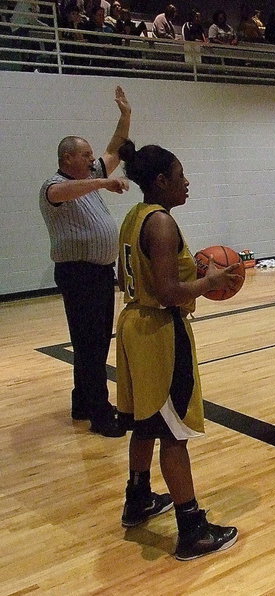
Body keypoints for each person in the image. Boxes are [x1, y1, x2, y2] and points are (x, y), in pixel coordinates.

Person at [116, 139, 241, 560]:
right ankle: (192, 530)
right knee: (172, 431)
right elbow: (170, 292)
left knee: (144, 421)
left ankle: (138, 498)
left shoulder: (134, 216)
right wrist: (211, 281)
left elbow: (125, 277)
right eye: (181, 175)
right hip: (159, 334)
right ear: (161, 180)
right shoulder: (163, 224)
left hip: (134, 324)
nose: (187, 183)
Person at [39, 86, 131, 437]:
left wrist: (125, 116)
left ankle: (82, 401)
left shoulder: (89, 175)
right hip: (78, 274)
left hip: (98, 273)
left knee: (91, 342)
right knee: (91, 343)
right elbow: (62, 194)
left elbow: (114, 148)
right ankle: (100, 412)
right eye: (85, 155)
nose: (93, 158)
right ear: (67, 160)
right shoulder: (54, 185)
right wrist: (104, 182)